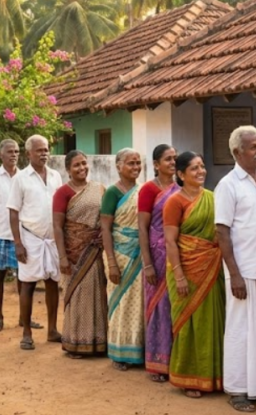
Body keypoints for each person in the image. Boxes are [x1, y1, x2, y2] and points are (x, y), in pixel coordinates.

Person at [214, 125, 256, 412]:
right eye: (253, 147)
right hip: (243, 270)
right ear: (236, 152)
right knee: (242, 330)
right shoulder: (228, 185)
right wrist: (234, 274)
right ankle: (239, 389)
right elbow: (222, 232)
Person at [164, 151, 224, 399]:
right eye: (194, 169)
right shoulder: (174, 202)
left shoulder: (212, 198)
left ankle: (215, 376)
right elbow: (170, 241)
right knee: (189, 323)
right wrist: (179, 276)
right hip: (185, 270)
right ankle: (189, 378)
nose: (201, 171)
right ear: (180, 174)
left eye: (202, 166)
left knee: (213, 321)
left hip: (211, 267)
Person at [8, 134, 63, 350]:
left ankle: (52, 330)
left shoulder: (56, 176)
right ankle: (27, 332)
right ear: (29, 153)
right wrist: (18, 243)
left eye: (46, 149)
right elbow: (13, 213)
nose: (44, 153)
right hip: (30, 238)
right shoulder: (20, 179)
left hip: (51, 239)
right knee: (28, 284)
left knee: (52, 283)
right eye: (39, 150)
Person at [52, 150, 108, 358]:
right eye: (76, 165)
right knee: (76, 295)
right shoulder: (62, 193)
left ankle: (98, 342)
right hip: (74, 252)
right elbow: (58, 227)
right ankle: (75, 342)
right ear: (68, 170)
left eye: (84, 163)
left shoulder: (99, 189)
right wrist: (63, 257)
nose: (82, 168)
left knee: (97, 294)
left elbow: (106, 218)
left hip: (95, 250)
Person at [0, 139, 40, 332]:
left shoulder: (26, 177)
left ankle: (25, 318)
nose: (13, 155)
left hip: (22, 236)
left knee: (24, 279)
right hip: (0, 235)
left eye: (16, 151)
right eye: (9, 151)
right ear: (1, 154)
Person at [100, 148, 145, 371]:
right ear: (119, 166)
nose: (136, 167)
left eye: (138, 163)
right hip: (120, 254)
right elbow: (105, 229)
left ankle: (138, 349)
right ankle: (119, 352)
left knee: (139, 303)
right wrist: (111, 262)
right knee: (120, 301)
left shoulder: (142, 191)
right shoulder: (112, 193)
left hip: (140, 254)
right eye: (131, 163)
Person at [137, 144, 179, 382]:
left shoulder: (178, 189)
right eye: (167, 159)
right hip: (155, 254)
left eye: (174, 158)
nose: (172, 163)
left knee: (173, 305)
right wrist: (148, 263)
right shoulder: (148, 190)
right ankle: (156, 363)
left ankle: (175, 360)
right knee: (157, 307)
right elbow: (142, 228)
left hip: (175, 255)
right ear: (155, 164)